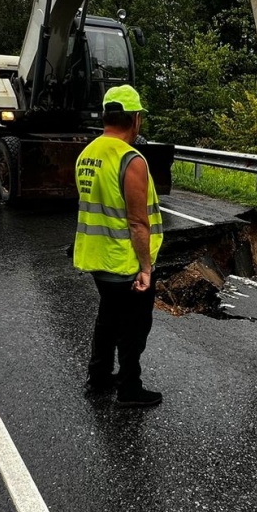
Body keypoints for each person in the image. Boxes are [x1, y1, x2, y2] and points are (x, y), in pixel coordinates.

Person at [72, 84, 164, 407]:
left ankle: (98, 377)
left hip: (96, 260)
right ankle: (129, 389)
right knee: (134, 327)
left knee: (108, 317)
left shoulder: (87, 155)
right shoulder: (131, 160)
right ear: (135, 119)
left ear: (106, 117)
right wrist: (146, 268)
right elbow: (138, 223)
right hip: (124, 264)